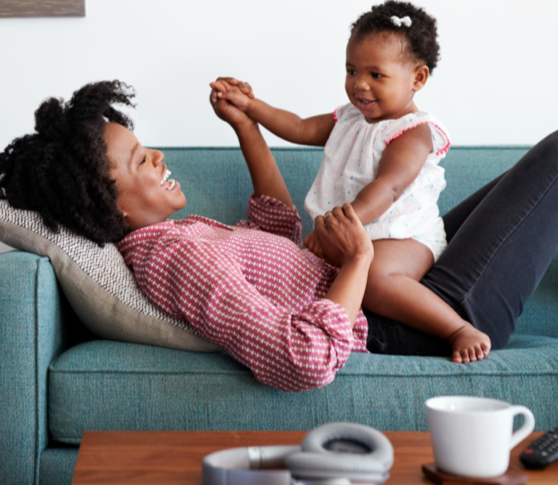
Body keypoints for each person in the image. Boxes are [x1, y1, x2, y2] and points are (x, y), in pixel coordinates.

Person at [0, 79, 558, 392]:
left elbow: (277, 227)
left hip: (401, 287)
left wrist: (247, 127)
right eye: (141, 160)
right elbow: (301, 359)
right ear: (107, 204)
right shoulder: (173, 258)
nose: (158, 155)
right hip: (413, 325)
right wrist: (357, 261)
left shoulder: (181, 233)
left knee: (538, 174)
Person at [210, 1, 490, 364]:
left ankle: (456, 328)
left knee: (373, 278)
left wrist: (334, 227)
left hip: (405, 237)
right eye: (352, 70)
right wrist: (251, 106)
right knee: (336, 272)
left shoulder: (413, 131)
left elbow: (389, 186)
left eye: (377, 75)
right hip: (355, 234)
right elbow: (299, 127)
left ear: (417, 79)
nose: (360, 84)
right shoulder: (348, 118)